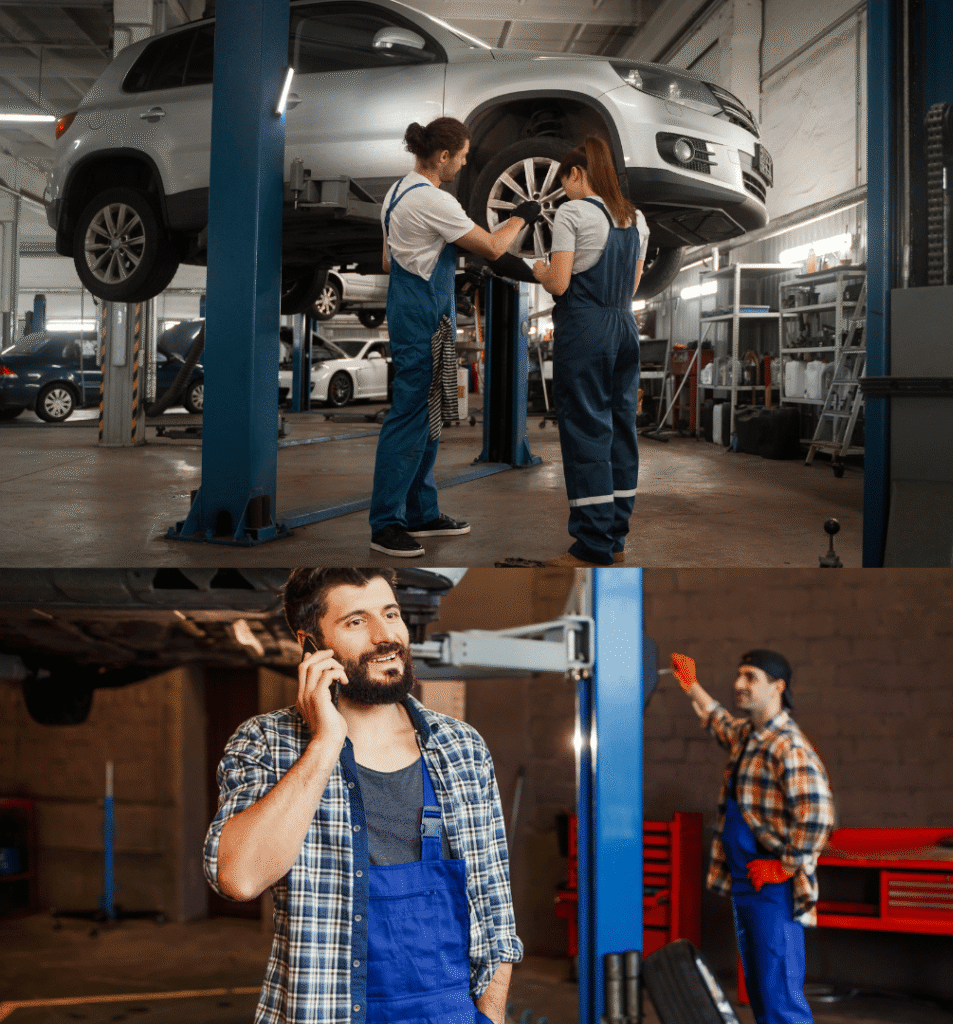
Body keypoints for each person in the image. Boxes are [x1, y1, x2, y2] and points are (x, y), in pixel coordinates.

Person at [204, 568, 523, 1024]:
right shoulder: (267, 743)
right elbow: (239, 879)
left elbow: (495, 910)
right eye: (356, 621)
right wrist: (324, 744)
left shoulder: (461, 747)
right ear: (311, 644)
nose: (385, 636)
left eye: (390, 614)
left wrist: (490, 1017)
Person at [370, 118, 542, 558]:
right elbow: (495, 247)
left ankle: (421, 512)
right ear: (443, 156)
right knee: (410, 416)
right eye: (462, 156)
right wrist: (522, 216)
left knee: (427, 416)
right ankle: (386, 524)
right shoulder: (433, 200)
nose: (464, 164)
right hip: (424, 317)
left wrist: (441, 257)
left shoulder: (396, 192)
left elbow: (390, 262)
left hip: (414, 307)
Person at [672, 650, 834, 1024]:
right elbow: (720, 722)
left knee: (780, 999)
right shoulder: (749, 736)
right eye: (739, 675)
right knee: (762, 993)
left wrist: (785, 867)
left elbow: (818, 816)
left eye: (750, 677)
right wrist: (690, 684)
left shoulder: (787, 746)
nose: (738, 684)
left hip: (773, 890)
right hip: (747, 884)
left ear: (778, 687)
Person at [532, 135, 650, 567]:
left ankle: (591, 546)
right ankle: (615, 538)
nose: (563, 192)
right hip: (624, 327)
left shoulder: (573, 212)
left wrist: (541, 270)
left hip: (586, 328)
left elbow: (560, 283)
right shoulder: (636, 219)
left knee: (586, 432)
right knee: (621, 430)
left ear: (576, 173)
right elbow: (632, 286)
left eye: (563, 181)